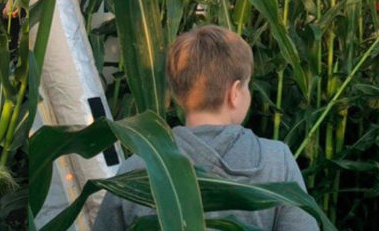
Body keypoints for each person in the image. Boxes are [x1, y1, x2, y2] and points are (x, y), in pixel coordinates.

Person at [93, 25, 317, 230]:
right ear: (235, 93)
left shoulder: (138, 168)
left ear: (178, 95)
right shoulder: (277, 162)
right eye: (248, 85)